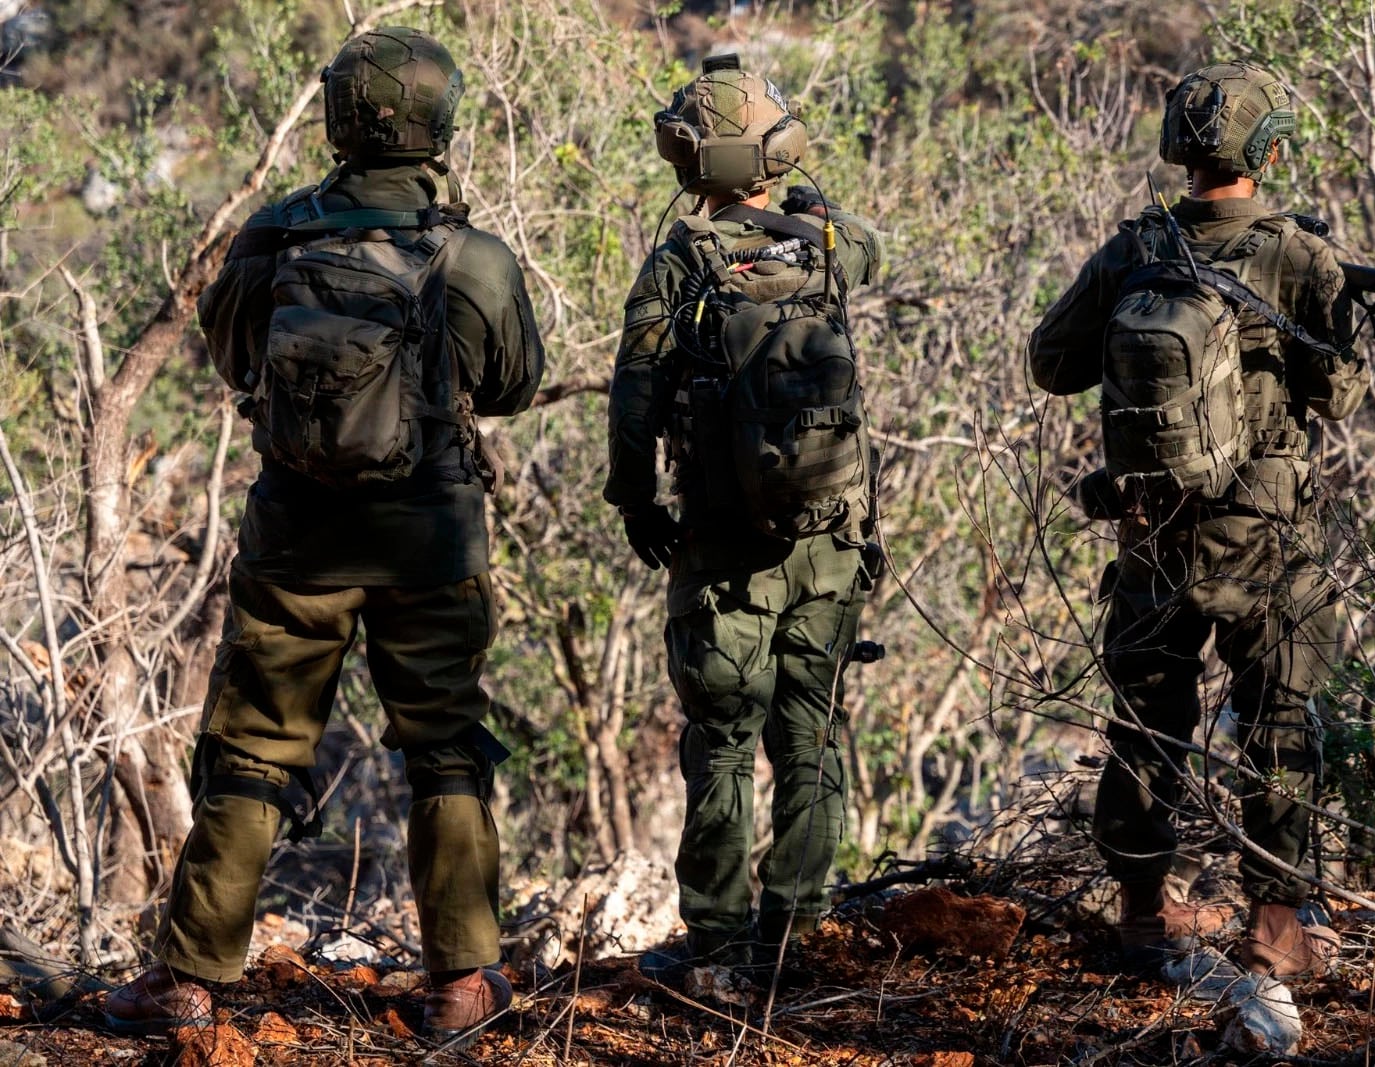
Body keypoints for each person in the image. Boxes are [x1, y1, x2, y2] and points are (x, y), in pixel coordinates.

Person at [105, 27, 543, 1040]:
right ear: (439, 119)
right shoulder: (469, 253)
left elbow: (229, 351)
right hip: (429, 536)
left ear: (343, 117)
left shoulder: (276, 233)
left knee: (254, 746)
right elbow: (515, 384)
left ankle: (188, 978)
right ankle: (464, 982)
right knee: (442, 745)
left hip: (297, 532)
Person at [1028, 61, 1367, 979]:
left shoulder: (1135, 248)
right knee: (1279, 724)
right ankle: (1276, 928)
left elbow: (1050, 364)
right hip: (1262, 538)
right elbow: (1338, 396)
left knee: (1146, 721)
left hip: (1151, 533)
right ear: (1266, 148)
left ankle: (1144, 913)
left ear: (1181, 148)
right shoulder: (1299, 255)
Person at [605, 54, 883, 974]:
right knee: (811, 734)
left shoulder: (680, 260)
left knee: (722, 744)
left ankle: (719, 945)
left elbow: (634, 393)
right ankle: (796, 933)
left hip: (723, 548)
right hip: (829, 543)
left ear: (693, 161)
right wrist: (807, 208)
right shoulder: (827, 240)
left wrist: (637, 500)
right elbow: (872, 251)